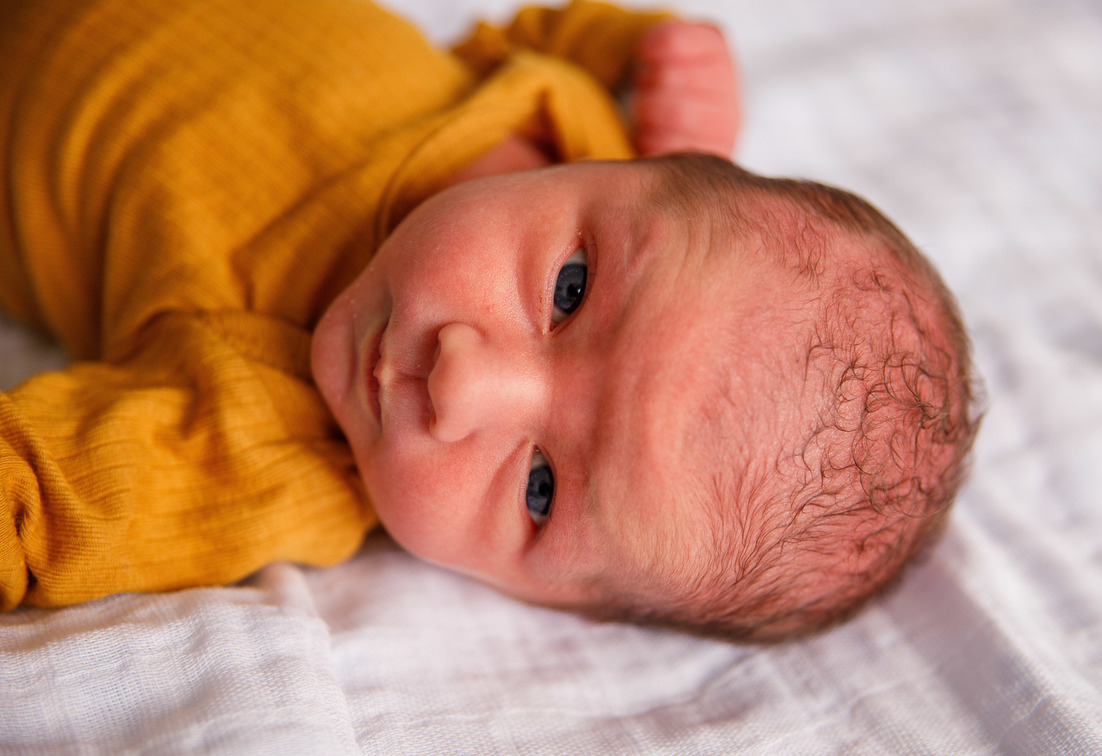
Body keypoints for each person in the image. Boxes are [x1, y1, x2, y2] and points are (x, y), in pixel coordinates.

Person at [0, 0, 977, 641]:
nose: (462, 382)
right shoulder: (578, 131)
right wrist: (653, 62)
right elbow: (550, 36)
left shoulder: (262, 440)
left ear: (545, 598)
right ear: (628, 173)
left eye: (543, 487)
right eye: (567, 294)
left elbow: (35, 501)